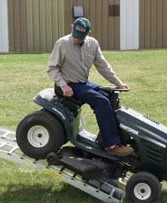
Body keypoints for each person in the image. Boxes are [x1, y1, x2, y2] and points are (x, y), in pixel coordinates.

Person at [47, 17, 134, 157]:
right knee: (101, 101)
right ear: (72, 28)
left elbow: (103, 66)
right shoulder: (62, 43)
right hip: (68, 85)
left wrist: (118, 83)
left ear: (88, 34)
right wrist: (63, 86)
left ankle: (111, 138)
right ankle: (111, 145)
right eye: (75, 35)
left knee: (110, 96)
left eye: (80, 37)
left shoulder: (93, 44)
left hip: (82, 83)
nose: (76, 39)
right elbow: (52, 68)